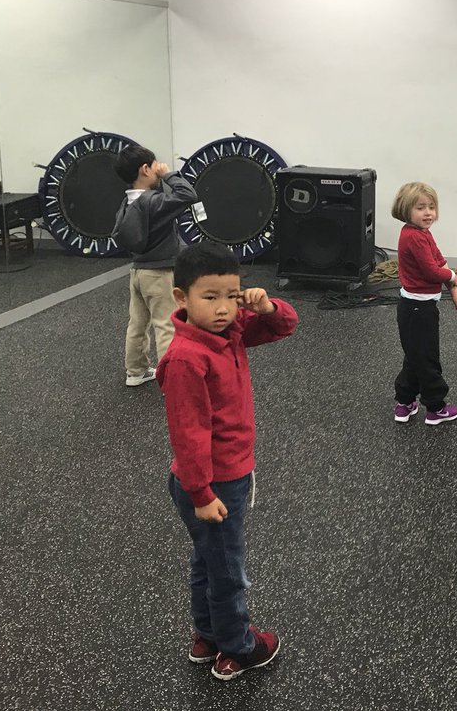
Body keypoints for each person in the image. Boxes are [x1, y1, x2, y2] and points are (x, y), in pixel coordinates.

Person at [157, 242, 298, 680]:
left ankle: (207, 635)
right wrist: (201, 494)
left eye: (231, 296)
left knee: (208, 560)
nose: (223, 308)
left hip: (220, 478)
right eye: (210, 297)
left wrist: (266, 306)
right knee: (227, 570)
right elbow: (188, 434)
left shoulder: (228, 331)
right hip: (212, 483)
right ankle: (238, 646)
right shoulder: (187, 358)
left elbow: (286, 325)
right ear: (181, 297)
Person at [112, 145, 198, 387]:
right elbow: (188, 194)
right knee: (166, 324)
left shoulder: (127, 203)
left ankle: (135, 372)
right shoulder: (154, 201)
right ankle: (173, 380)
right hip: (159, 274)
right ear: (145, 169)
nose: (158, 168)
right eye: (154, 165)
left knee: (137, 324)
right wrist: (168, 174)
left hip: (137, 272)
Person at [391, 182, 457, 425]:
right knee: (426, 359)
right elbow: (432, 271)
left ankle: (404, 402)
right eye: (420, 208)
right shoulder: (414, 237)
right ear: (406, 209)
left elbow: (439, 260)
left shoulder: (422, 233)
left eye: (431, 207)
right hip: (418, 310)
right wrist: (451, 276)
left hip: (417, 307)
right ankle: (435, 407)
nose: (428, 213)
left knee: (415, 356)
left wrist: (453, 290)